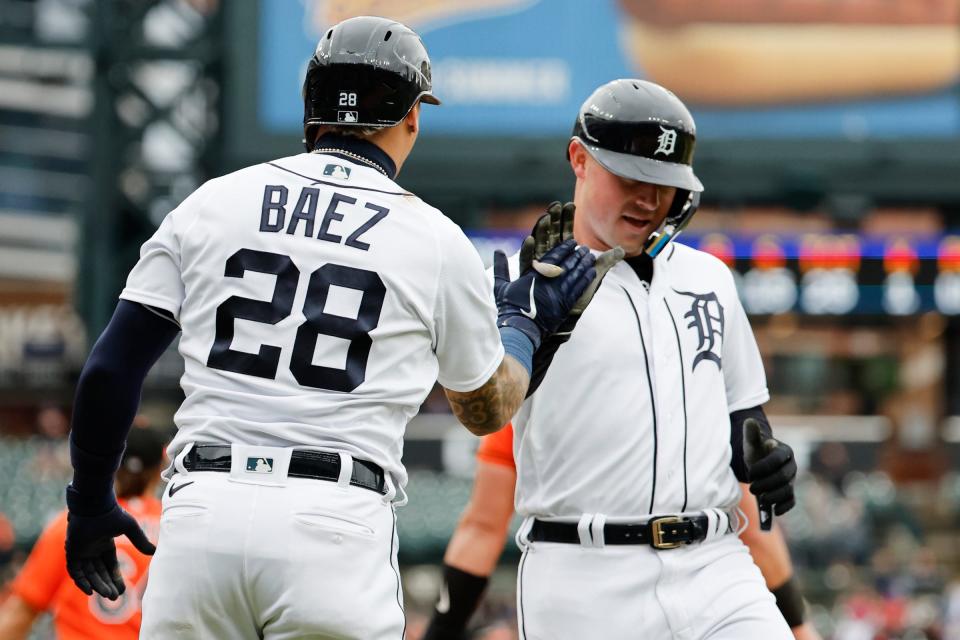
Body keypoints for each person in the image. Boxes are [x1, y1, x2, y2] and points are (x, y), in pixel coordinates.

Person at [61, 15, 615, 640]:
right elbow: (486, 410)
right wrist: (524, 325)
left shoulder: (214, 200)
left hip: (202, 518)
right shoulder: (431, 236)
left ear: (312, 108)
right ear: (411, 117)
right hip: (332, 524)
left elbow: (111, 368)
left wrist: (88, 502)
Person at [430, 79, 800, 639]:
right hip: (582, 571)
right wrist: (521, 328)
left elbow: (744, 422)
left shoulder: (710, 279)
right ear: (579, 160)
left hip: (715, 566)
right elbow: (480, 414)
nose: (650, 200)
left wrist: (766, 458)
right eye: (632, 177)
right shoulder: (515, 288)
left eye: (665, 183)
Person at [423, 424, 822, 640]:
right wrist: (798, 622)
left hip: (597, 587)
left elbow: (483, 529)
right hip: (620, 587)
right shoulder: (537, 385)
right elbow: (753, 528)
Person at [0, 426, 166, 640]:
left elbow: (19, 615)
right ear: (158, 470)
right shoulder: (174, 529)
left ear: (110, 464)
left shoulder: (73, 524)